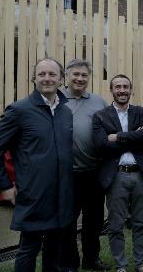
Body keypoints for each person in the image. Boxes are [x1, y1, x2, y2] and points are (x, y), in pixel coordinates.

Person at [0, 58, 74, 272]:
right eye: (42, 74)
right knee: (29, 247)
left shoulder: (65, 111)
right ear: (34, 79)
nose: (47, 78)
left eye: (52, 74)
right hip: (34, 193)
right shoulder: (19, 110)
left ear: (61, 79)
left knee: (54, 247)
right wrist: (4, 185)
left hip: (62, 193)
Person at [92, 74, 143, 272]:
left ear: (131, 90)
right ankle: (121, 265)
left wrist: (118, 137)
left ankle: (141, 263)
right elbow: (101, 145)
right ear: (111, 90)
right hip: (116, 175)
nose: (122, 90)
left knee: (140, 223)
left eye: (125, 87)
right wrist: (134, 137)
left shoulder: (140, 112)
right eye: (117, 87)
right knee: (115, 224)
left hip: (140, 175)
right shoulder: (101, 115)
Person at [61, 59, 110, 272]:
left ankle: (91, 259)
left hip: (93, 171)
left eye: (84, 75)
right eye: (76, 75)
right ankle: (70, 262)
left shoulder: (98, 101)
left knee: (95, 220)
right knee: (68, 222)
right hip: (66, 174)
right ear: (66, 77)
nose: (80, 79)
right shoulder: (56, 99)